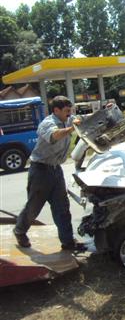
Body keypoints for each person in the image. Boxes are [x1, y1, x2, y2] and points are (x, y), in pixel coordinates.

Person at [13, 96, 86, 251]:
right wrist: (72, 128)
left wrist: (102, 112)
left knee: (62, 208)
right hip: (40, 170)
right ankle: (19, 231)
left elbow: (83, 119)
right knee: (34, 207)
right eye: (67, 111)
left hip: (56, 170)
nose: (69, 114)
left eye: (70, 111)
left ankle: (67, 242)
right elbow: (54, 136)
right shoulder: (47, 123)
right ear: (56, 110)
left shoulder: (69, 119)